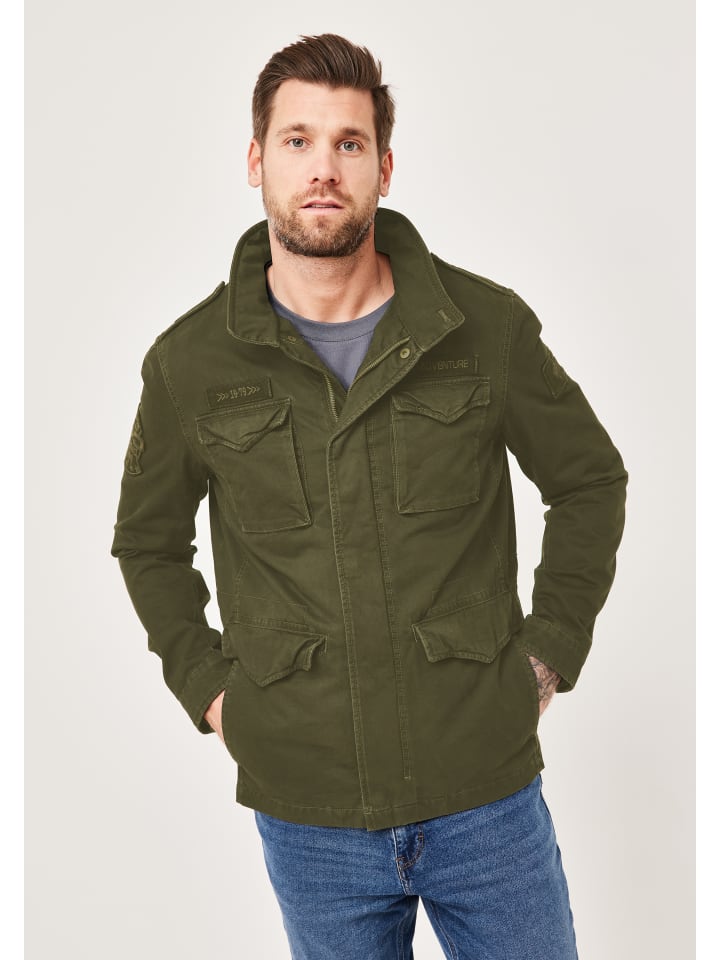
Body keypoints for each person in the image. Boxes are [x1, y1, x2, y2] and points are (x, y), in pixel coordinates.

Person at [112, 33, 627, 960]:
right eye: (298, 141)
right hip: (309, 814)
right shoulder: (189, 365)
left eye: (348, 143)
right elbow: (148, 545)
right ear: (256, 160)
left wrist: (550, 651)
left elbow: (589, 479)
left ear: (384, 167)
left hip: (485, 793)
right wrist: (212, 693)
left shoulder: (484, 329)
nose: (323, 168)